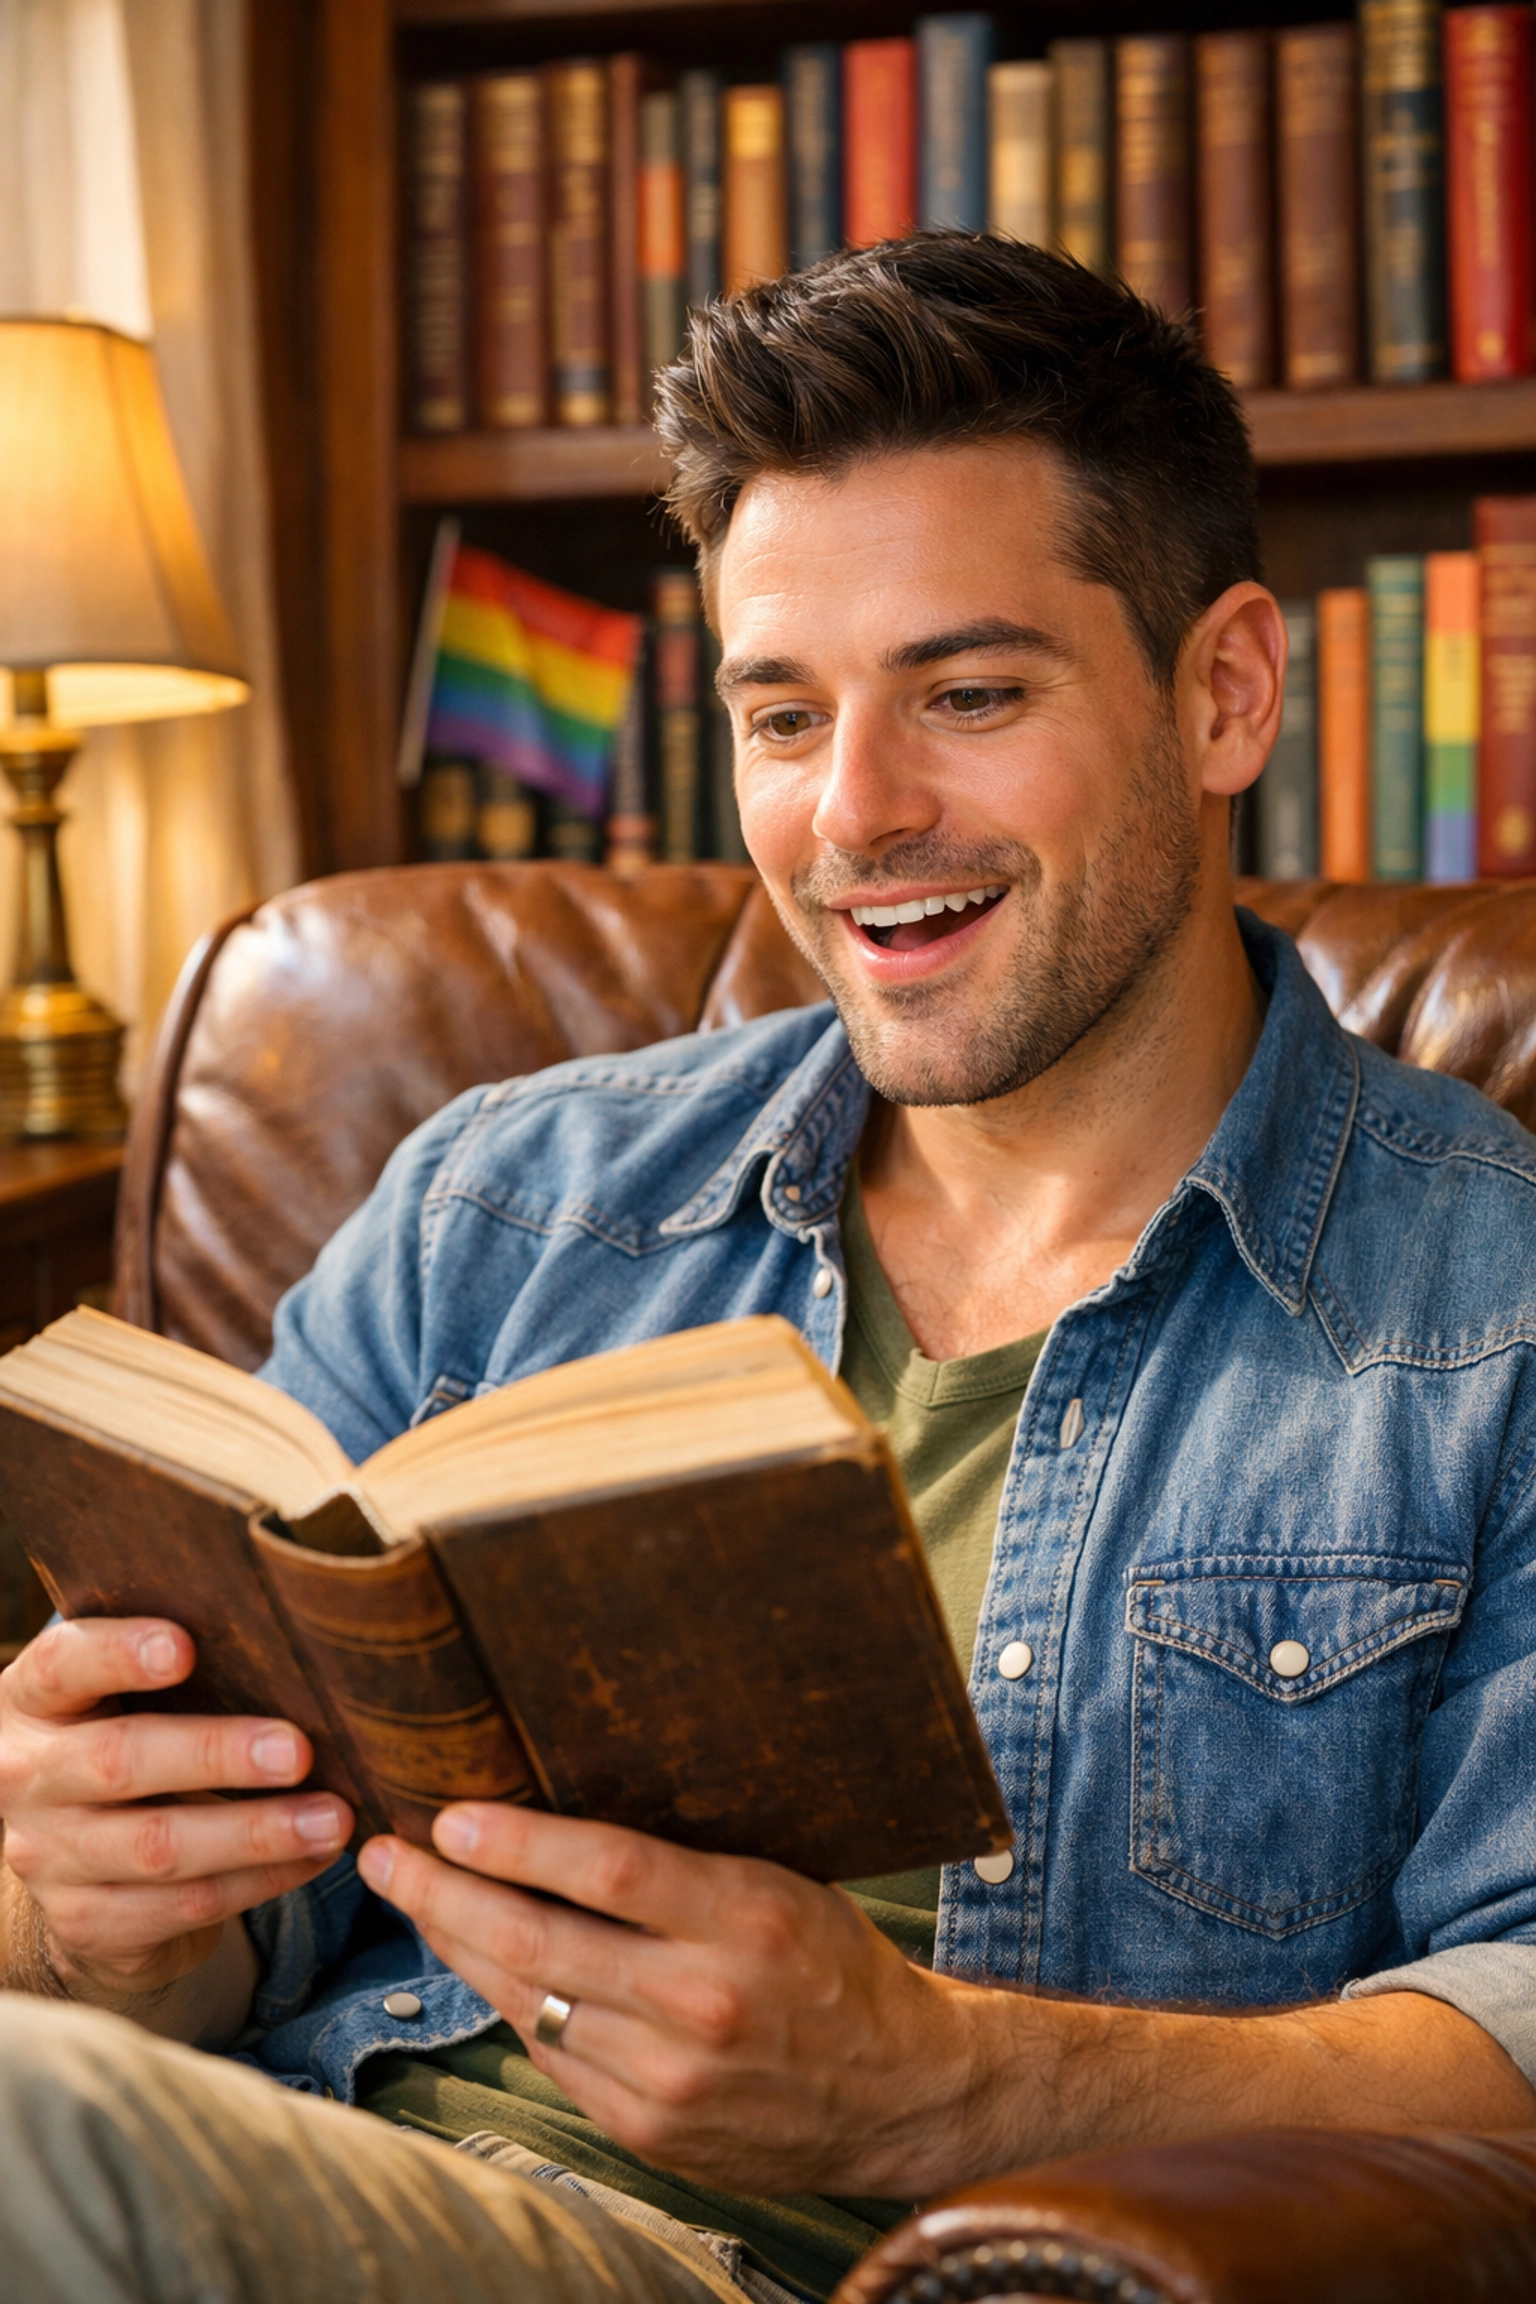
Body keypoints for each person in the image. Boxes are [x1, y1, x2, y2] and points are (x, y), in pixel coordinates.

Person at [3, 233, 1536, 2304]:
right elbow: (218, 1931)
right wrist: (98, 1910)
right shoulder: (504, 1204)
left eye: (969, 694)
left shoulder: (1489, 1309)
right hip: (301, 2165)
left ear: (1223, 693)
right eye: (783, 714)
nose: (855, 815)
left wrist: (932, 2085)